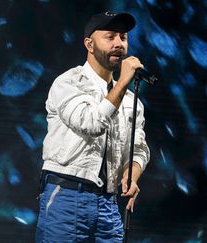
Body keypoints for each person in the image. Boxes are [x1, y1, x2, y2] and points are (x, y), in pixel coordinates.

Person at [35, 11, 150, 242]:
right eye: (110, 37)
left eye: (123, 38)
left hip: (108, 203)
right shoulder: (68, 83)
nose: (119, 43)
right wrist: (124, 82)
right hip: (66, 196)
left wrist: (132, 174)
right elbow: (91, 123)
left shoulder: (129, 100)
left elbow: (139, 148)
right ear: (89, 43)